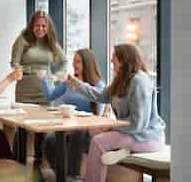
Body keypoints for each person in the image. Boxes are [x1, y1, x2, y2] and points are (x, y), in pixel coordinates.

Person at [68, 43, 166, 182]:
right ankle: (123, 150)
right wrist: (78, 84)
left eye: (114, 57)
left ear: (124, 60)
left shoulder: (139, 82)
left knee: (98, 141)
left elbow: (138, 124)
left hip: (146, 137)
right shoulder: (121, 79)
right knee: (93, 131)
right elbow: (101, 96)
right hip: (131, 133)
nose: (111, 60)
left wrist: (111, 127)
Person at [10, 10, 67, 160]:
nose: (40, 29)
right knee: (21, 127)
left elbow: (64, 61)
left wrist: (56, 76)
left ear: (48, 27)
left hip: (45, 91)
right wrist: (32, 70)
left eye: (43, 26)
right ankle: (18, 161)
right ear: (32, 25)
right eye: (37, 25)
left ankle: (38, 162)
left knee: (42, 128)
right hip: (25, 90)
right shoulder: (23, 40)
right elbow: (14, 63)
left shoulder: (51, 43)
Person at [42, 49, 105, 179]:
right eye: (74, 61)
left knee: (78, 133)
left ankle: (72, 176)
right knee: (49, 140)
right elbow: (50, 96)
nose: (74, 64)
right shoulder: (69, 82)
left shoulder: (97, 85)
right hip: (67, 124)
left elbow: (99, 114)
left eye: (78, 61)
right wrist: (45, 79)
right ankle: (62, 175)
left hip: (87, 128)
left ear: (87, 63)